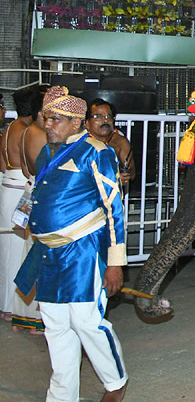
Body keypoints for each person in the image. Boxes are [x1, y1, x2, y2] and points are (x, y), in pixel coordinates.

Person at [14, 87, 129, 402]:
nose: (48, 125)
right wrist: (24, 216)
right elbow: (37, 191)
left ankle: (115, 382)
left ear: (77, 121)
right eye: (46, 118)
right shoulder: (48, 152)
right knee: (55, 325)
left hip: (82, 251)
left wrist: (115, 263)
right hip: (48, 253)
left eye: (55, 119)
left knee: (86, 321)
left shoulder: (98, 152)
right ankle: (62, 395)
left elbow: (113, 209)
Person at [2, 84, 46, 333]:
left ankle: (9, 307)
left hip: (10, 185)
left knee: (8, 252)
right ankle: (18, 310)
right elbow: (36, 169)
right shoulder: (33, 131)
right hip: (23, 188)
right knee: (22, 252)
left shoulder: (9, 129)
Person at [85, 100, 135, 191]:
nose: (105, 120)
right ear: (86, 123)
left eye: (109, 117)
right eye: (98, 117)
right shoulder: (81, 145)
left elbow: (131, 172)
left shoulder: (120, 142)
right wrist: (112, 179)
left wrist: (123, 176)